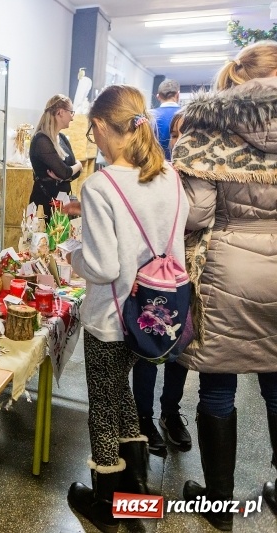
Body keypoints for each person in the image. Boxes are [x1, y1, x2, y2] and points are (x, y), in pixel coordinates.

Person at [65, 84, 188, 533]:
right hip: (154, 312)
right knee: (123, 397)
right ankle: (134, 490)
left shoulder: (100, 186)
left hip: (112, 315)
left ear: (99, 126)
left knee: (103, 404)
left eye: (92, 132)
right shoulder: (169, 177)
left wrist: (70, 253)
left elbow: (101, 265)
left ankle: (105, 503)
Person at [172, 40, 277, 530]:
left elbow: (199, 213)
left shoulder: (207, 124)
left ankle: (218, 503)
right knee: (276, 387)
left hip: (228, 269)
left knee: (218, 388)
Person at [131, 109, 191, 458]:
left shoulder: (186, 174)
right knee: (149, 348)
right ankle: (145, 418)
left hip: (186, 271)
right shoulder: (159, 174)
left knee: (178, 349)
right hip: (153, 274)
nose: (181, 142)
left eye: (188, 135)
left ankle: (170, 412)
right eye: (177, 135)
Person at [29, 94, 82, 221]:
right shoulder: (41, 140)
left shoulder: (62, 138)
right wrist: (77, 166)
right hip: (44, 204)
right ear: (60, 112)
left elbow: (72, 173)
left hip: (62, 202)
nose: (72, 118)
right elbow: (66, 172)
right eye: (71, 112)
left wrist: (63, 176)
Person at [150, 78, 181, 159]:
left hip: (153, 166)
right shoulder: (187, 114)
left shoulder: (149, 115)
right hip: (179, 167)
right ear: (178, 95)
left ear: (158, 97)